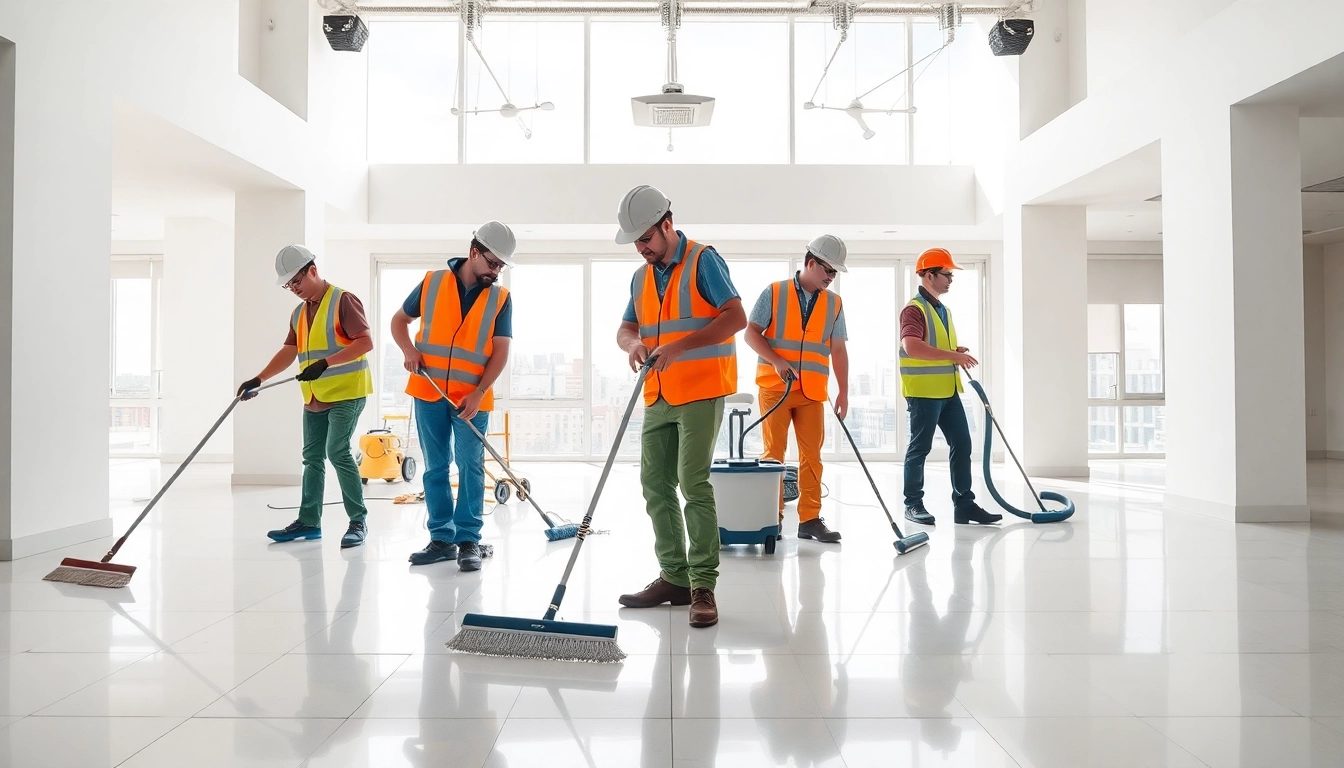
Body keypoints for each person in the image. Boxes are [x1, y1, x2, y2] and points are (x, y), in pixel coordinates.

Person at [613, 185, 747, 629]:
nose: (641, 248)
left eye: (646, 238)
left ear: (667, 224)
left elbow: (735, 317)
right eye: (635, 241)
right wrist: (633, 343)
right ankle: (674, 577)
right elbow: (626, 326)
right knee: (654, 483)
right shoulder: (641, 275)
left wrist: (677, 347)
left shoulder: (703, 259)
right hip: (659, 393)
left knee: (693, 481)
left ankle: (702, 585)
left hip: (701, 389)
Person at [390, 222, 515, 571]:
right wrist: (408, 349)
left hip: (472, 400)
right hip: (428, 390)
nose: (496, 271)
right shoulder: (432, 283)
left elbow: (500, 352)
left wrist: (479, 392)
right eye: (492, 263)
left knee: (471, 466)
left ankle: (469, 540)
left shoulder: (501, 298)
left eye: (501, 266)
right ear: (474, 252)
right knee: (435, 467)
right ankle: (442, 538)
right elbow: (399, 322)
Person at [240, 244, 374, 548]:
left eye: (296, 282)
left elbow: (365, 342)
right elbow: (289, 351)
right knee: (312, 458)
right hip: (314, 396)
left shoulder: (343, 300)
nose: (294, 289)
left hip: (347, 392)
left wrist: (327, 363)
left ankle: (358, 521)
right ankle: (309, 522)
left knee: (337, 451)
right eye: (289, 285)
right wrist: (258, 379)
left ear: (312, 270)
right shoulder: (299, 312)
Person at [743, 234, 849, 544]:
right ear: (811, 263)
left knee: (811, 456)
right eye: (827, 270)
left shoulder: (834, 303)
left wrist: (843, 391)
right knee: (774, 456)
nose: (831, 278)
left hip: (813, 391)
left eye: (834, 273)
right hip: (776, 388)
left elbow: (838, 349)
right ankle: (771, 519)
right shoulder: (774, 293)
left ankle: (810, 520)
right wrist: (776, 360)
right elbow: (751, 333)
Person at [899, 247, 1001, 526]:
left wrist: (952, 349)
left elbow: (933, 345)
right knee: (919, 448)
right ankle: (913, 504)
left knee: (963, 443)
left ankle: (964, 505)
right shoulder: (914, 309)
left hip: (947, 391)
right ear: (929, 275)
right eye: (946, 274)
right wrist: (954, 356)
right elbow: (912, 347)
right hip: (923, 393)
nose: (950, 279)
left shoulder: (942, 309)